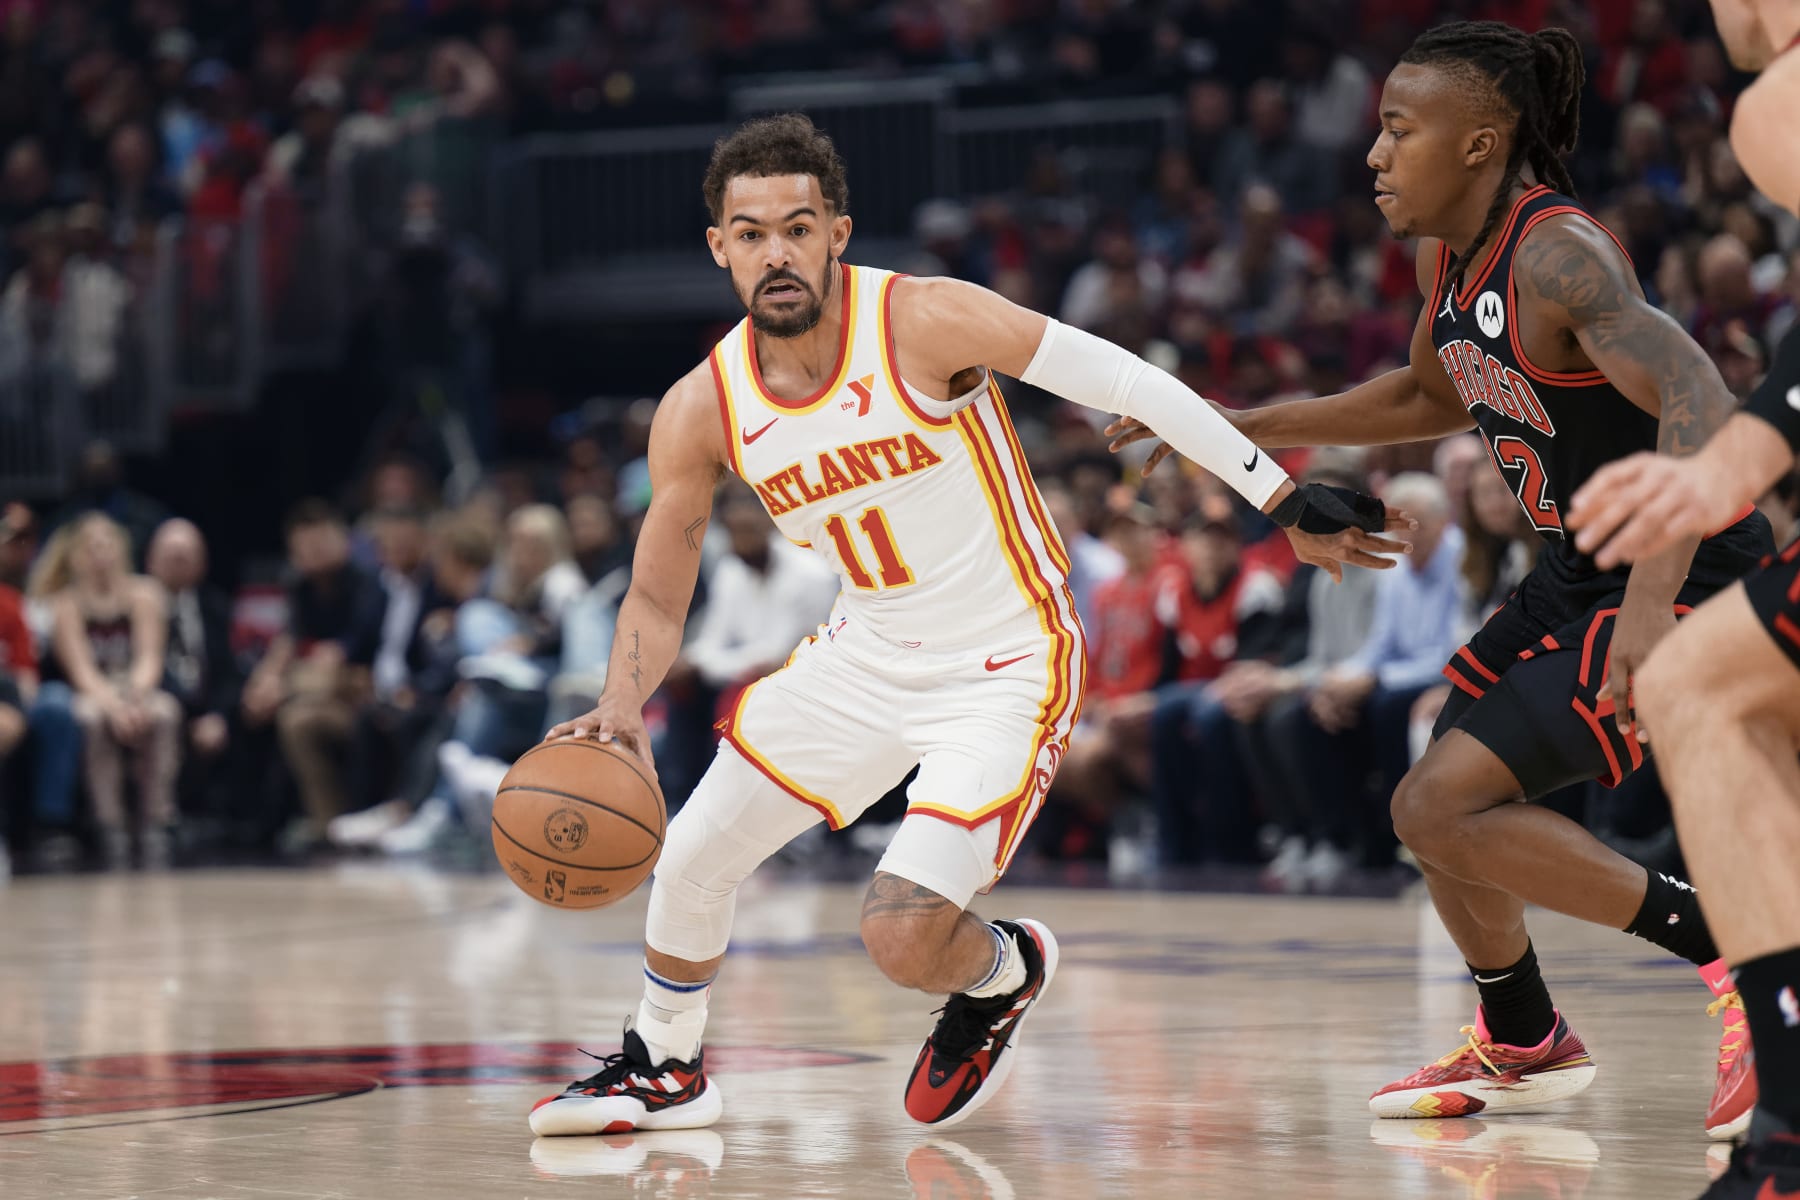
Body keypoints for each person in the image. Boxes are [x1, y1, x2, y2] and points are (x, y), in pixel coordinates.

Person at [529, 112, 1406, 1138]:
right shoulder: (702, 406)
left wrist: (1283, 500)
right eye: (752, 233)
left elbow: (1126, 381)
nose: (778, 253)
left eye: (798, 228)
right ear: (720, 247)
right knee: (687, 858)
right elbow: (655, 592)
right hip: (863, 653)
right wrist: (619, 703)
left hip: (1007, 660)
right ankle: (665, 1067)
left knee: (901, 938)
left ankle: (1004, 970)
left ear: (837, 234)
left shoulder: (923, 319)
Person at [1109, 21, 1772, 1134]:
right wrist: (1246, 424)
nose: (1374, 154)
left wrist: (1653, 606)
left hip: (1681, 565)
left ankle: (1748, 953)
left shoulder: (1559, 254)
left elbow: (1698, 398)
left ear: (1479, 143)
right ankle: (1523, 1035)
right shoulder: (1447, 259)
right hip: (1578, 568)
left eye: (1399, 129)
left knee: (1437, 804)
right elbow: (1429, 395)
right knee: (1435, 804)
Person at [1566, 4, 1800, 1194]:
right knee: (1722, 686)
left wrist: (1726, 466)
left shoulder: (1783, 98)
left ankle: (1789, 1137)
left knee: (1697, 689)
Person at [38, 513, 182, 869]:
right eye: (91, 548)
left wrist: (134, 699)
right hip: (93, 691)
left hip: (135, 687)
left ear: (121, 550)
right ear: (75, 557)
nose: (100, 555)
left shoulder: (145, 594)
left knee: (164, 713)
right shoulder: (66, 604)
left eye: (107, 545)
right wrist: (114, 708)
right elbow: (81, 671)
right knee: (90, 718)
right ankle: (109, 822)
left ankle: (157, 819)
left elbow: (150, 658)